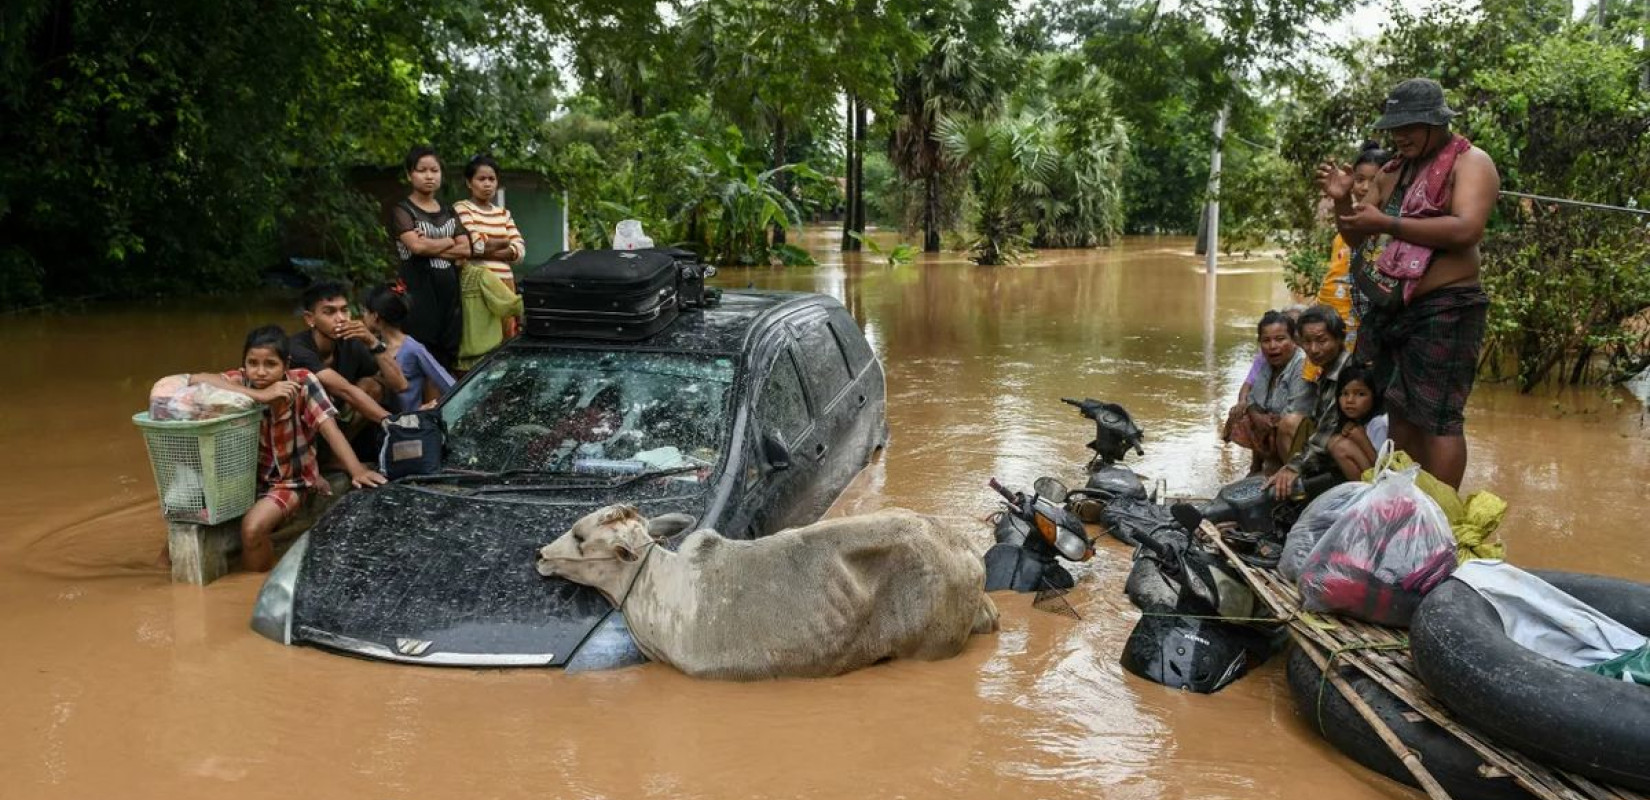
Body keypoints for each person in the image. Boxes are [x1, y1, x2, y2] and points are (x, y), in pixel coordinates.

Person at [1316, 78, 1499, 490]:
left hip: (1447, 306)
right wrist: (1344, 200)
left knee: (1439, 417)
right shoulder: (1393, 171)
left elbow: (1467, 229)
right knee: (1399, 408)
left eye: (1410, 126)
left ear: (1437, 122)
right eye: (1394, 128)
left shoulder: (1471, 163)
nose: (1400, 136)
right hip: (1395, 307)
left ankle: (1442, 515)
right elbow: (1357, 235)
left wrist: (1387, 223)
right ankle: (1407, 503)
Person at [186, 326, 387, 570]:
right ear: (244, 365)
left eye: (270, 364)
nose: (260, 372)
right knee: (185, 527)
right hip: (247, 481)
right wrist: (258, 395)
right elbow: (195, 380)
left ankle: (256, 589)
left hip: (291, 481)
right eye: (253, 363)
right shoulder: (243, 382)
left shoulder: (303, 382)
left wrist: (356, 470)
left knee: (252, 529)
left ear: (286, 365)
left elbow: (328, 427)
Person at [288, 282, 408, 457]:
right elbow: (344, 390)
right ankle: (328, 458)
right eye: (329, 312)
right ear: (310, 319)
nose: (341, 318)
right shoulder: (297, 348)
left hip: (337, 420)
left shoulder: (350, 342)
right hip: (302, 429)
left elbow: (400, 385)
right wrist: (393, 423)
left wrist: (372, 342)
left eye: (344, 310)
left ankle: (336, 456)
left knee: (373, 385)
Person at [392, 145, 470, 370]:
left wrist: (430, 244)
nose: (429, 176)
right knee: (421, 356)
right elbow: (416, 247)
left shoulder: (448, 211)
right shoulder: (403, 211)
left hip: (450, 299)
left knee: (448, 356)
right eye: (422, 170)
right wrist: (448, 241)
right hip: (418, 297)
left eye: (434, 170)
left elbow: (465, 249)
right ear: (409, 174)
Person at [1267, 305, 1354, 499]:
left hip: (1347, 455)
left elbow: (1326, 434)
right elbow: (1317, 424)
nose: (1313, 349)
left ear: (1340, 338)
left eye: (1322, 341)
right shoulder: (1327, 370)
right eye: (1307, 342)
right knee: (1292, 423)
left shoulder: (1347, 374)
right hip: (1329, 450)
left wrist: (1293, 467)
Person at [1317, 141, 1391, 354]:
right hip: (1359, 325)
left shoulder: (1398, 222)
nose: (1365, 188)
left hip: (1390, 327)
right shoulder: (1350, 227)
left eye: (1374, 181)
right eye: (1359, 180)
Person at [452, 154, 528, 339]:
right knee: (482, 339)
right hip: (479, 285)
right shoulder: (462, 208)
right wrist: (504, 243)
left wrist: (485, 248)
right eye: (481, 179)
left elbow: (520, 251)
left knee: (507, 337)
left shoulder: (504, 213)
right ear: (469, 183)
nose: (487, 184)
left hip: (505, 285)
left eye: (492, 179)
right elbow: (474, 244)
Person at [1230, 311, 1313, 474]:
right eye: (1266, 340)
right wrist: (1256, 415)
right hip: (1273, 420)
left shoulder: (1301, 364)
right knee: (1241, 415)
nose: (1272, 346)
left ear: (1294, 341)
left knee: (1286, 423)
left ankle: (1292, 472)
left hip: (1300, 431)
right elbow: (1253, 398)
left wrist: (1267, 419)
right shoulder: (1266, 362)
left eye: (1280, 339)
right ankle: (1260, 466)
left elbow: (1296, 410)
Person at [361, 283, 455, 412]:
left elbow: (444, 380)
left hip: (410, 421)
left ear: (375, 316)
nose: (363, 316)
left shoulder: (412, 348)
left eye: (365, 312)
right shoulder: (373, 345)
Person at [458, 257, 524, 372]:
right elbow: (513, 306)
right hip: (483, 364)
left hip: (460, 364)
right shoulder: (481, 275)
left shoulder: (479, 276)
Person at [1327, 364, 1381, 480]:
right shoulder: (1354, 422)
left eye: (1360, 394)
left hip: (1384, 481)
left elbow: (1384, 467)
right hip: (1372, 476)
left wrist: (1361, 439)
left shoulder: (1379, 423)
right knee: (1334, 442)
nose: (1350, 400)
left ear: (1374, 396)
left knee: (1341, 447)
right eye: (1345, 394)